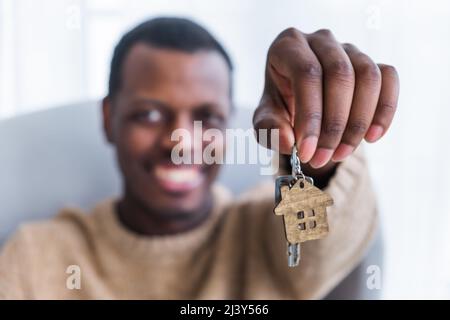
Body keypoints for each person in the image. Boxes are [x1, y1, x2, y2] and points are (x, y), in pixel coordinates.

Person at [0, 17, 399, 299]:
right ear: (109, 119)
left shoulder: (266, 234)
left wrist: (318, 154)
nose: (182, 143)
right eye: (150, 114)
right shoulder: (37, 256)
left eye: (207, 117)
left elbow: (323, 245)